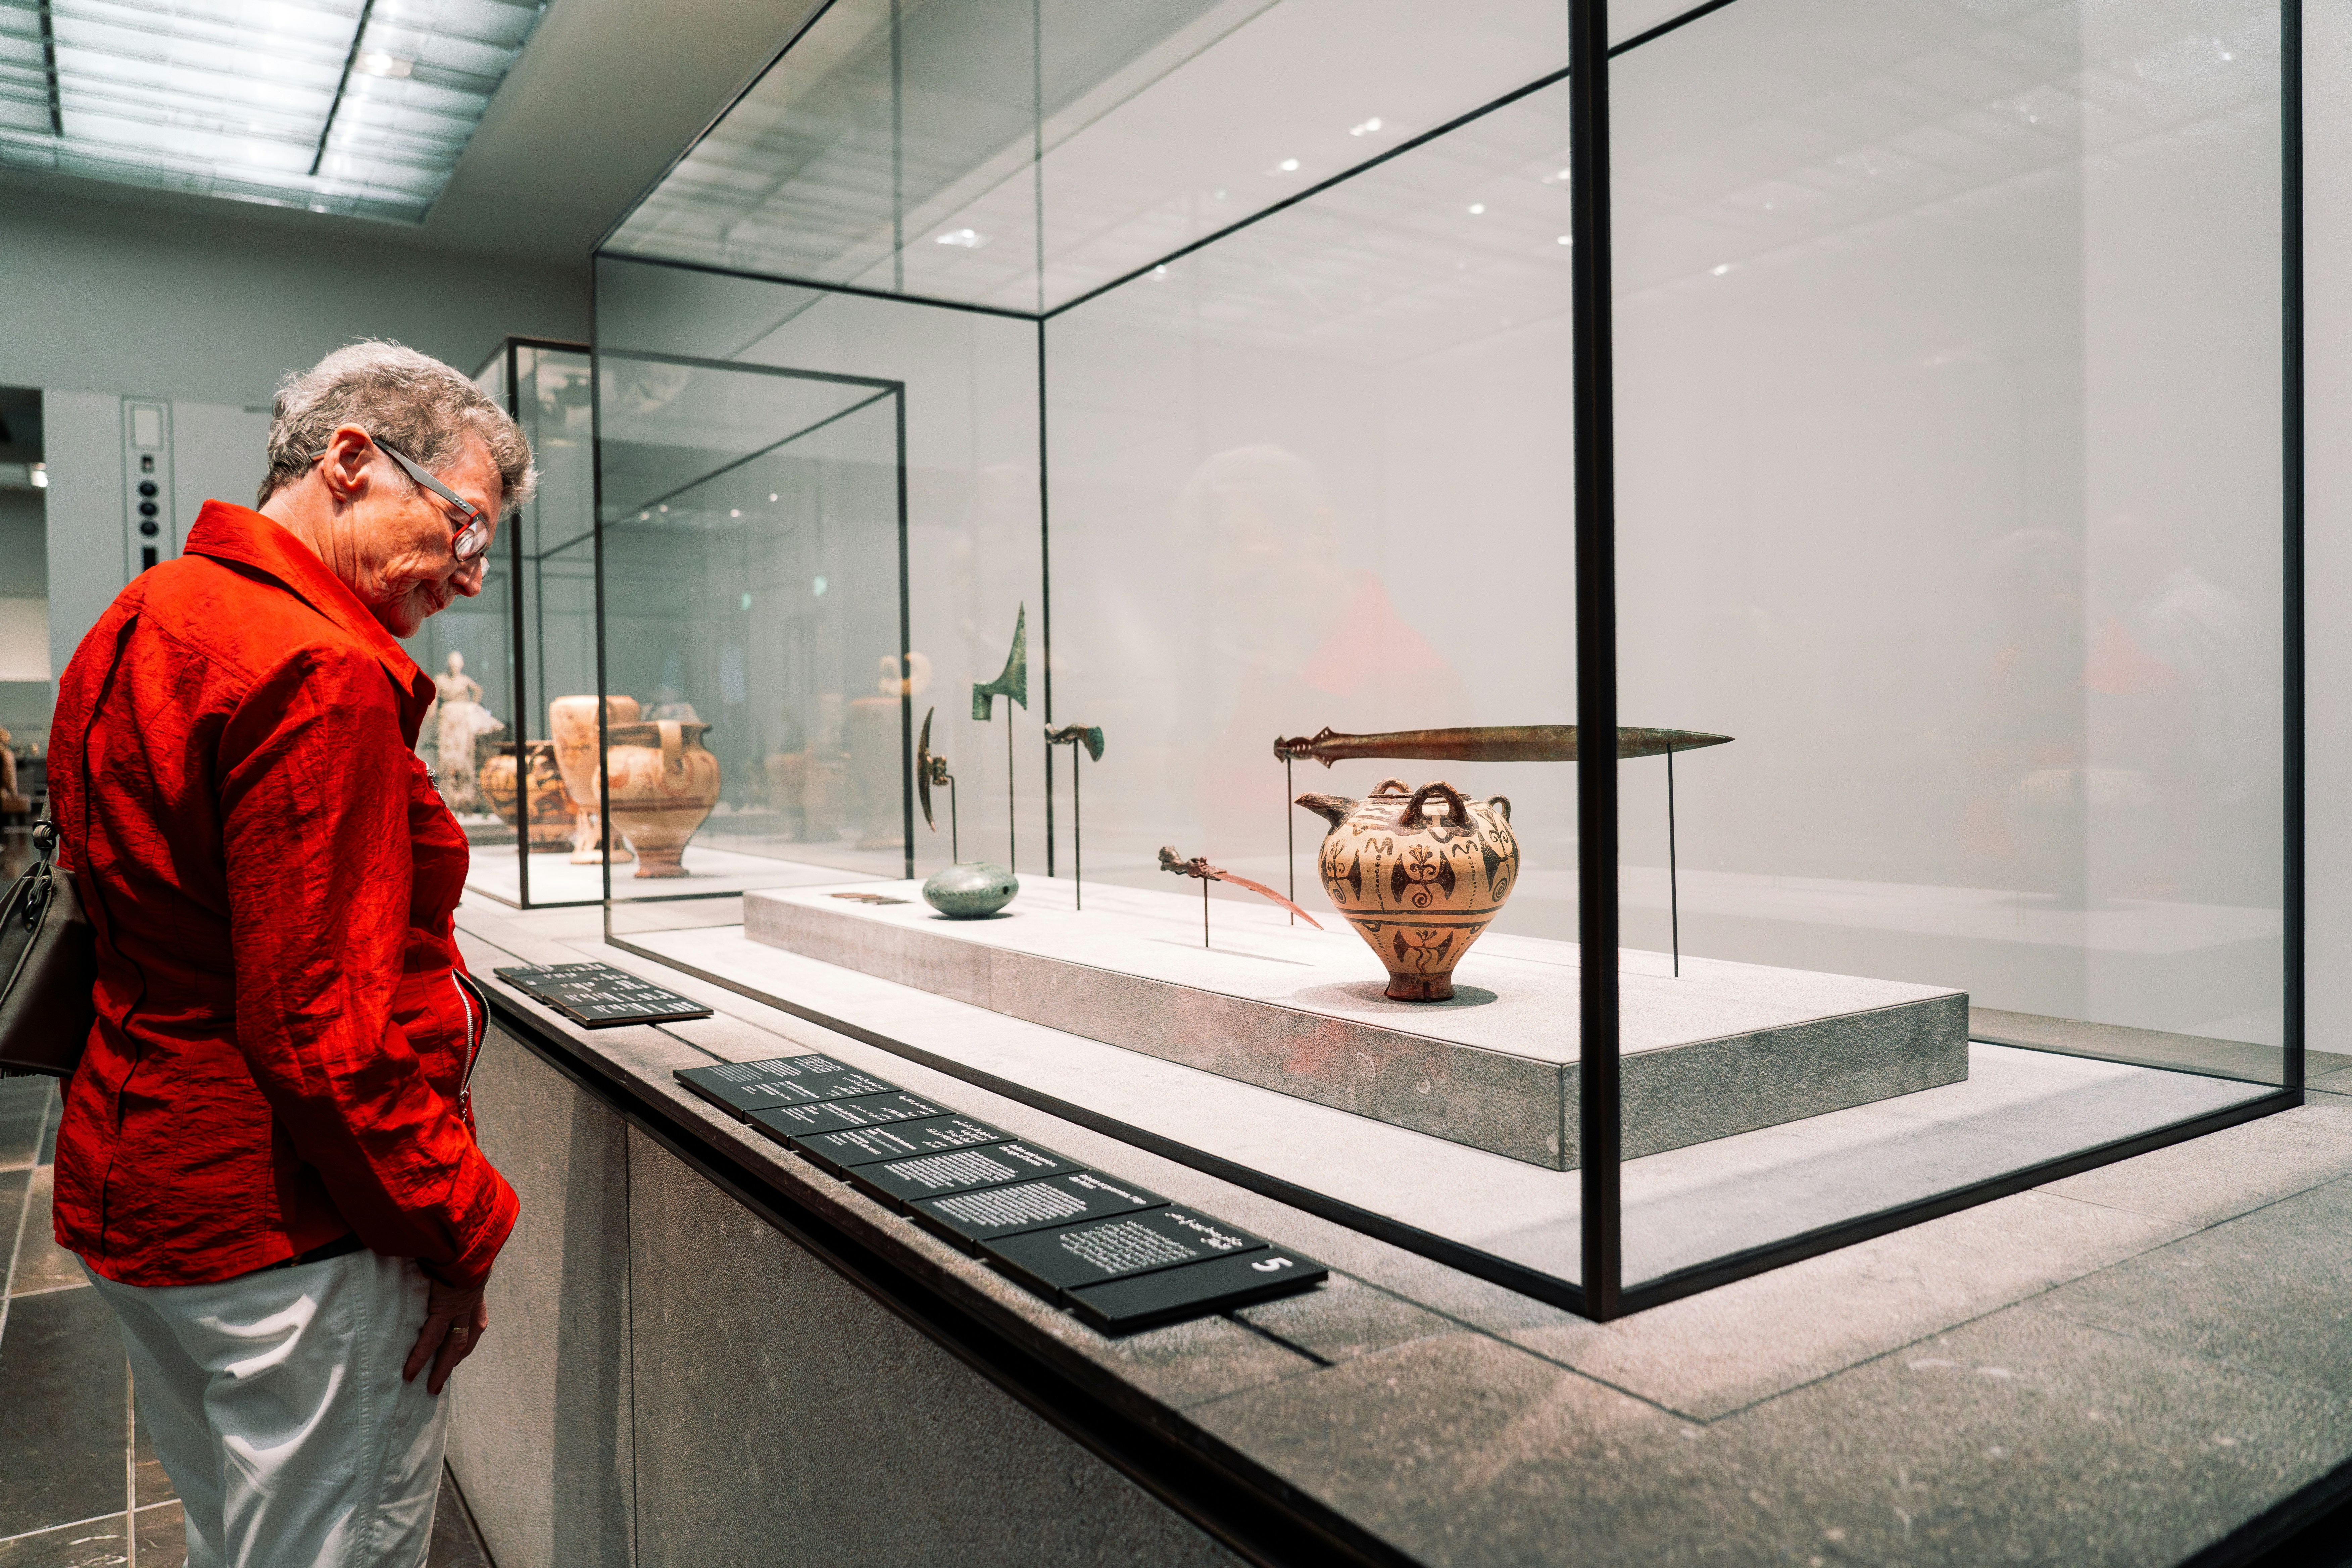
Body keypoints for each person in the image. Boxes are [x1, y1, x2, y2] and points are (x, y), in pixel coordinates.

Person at [46, 341, 533, 1568]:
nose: (469, 578)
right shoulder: (317, 670)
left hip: (147, 1188)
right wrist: (462, 1222)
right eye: (464, 527)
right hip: (293, 1234)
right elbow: (327, 1033)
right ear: (355, 462)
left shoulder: (140, 616)